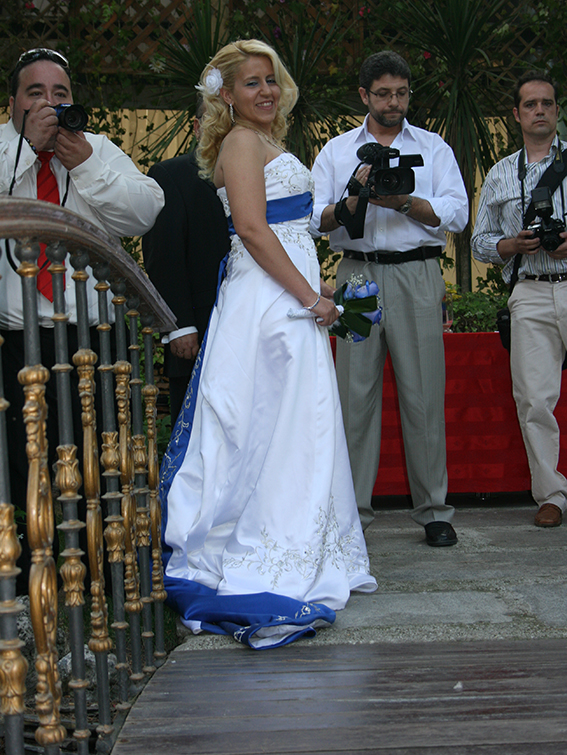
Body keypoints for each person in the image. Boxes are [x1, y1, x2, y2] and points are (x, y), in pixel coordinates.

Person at [158, 39, 377, 649]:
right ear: (225, 95)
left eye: (270, 80)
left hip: (289, 295)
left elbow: (293, 228)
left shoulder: (270, 143)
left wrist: (323, 281)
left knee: (295, 424)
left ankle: (306, 539)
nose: (265, 91)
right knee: (270, 425)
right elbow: (252, 230)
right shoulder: (240, 142)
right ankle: (267, 545)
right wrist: (310, 300)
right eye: (251, 83)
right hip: (269, 306)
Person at [0, 47, 164, 591]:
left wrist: (85, 164)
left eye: (61, 94)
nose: (50, 104)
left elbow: (144, 212)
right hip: (17, 340)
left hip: (92, 337)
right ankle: (30, 580)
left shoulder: (97, 151)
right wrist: (28, 153)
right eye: (37, 94)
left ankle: (103, 575)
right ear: (13, 103)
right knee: (27, 465)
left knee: (98, 462)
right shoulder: (3, 151)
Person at [311, 51, 468, 546]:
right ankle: (354, 512)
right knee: (354, 396)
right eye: (383, 93)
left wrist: (404, 201)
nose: (394, 102)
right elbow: (314, 219)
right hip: (357, 277)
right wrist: (354, 199)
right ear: (364, 95)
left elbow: (457, 212)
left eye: (401, 93)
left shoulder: (433, 147)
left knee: (423, 394)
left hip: (417, 274)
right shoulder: (337, 152)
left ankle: (435, 510)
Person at [471, 69, 567, 528]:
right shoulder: (501, 173)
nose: (540, 111)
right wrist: (512, 245)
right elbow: (478, 242)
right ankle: (551, 494)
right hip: (528, 290)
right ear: (516, 114)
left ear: (557, 108)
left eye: (546, 103)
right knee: (533, 399)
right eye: (531, 104)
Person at [142, 98, 230, 424]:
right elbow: (162, 255)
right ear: (196, 127)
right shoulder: (171, 175)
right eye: (214, 119)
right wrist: (180, 326)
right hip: (198, 332)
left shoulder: (262, 174)